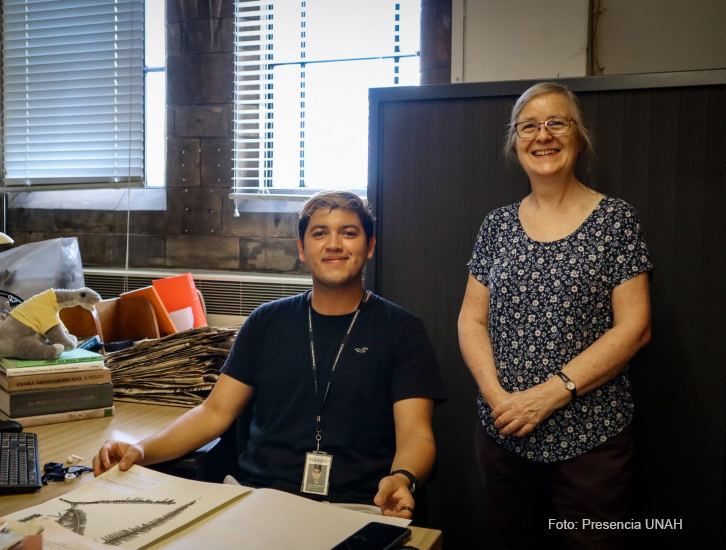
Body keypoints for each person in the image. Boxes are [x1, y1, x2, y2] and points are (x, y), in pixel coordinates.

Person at [94, 190, 445, 518]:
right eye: (320, 233)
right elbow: (213, 413)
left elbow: (416, 434)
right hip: (256, 498)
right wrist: (140, 450)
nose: (334, 244)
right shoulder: (266, 321)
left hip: (358, 505)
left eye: (349, 233)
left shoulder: (402, 330)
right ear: (302, 248)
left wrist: (402, 478)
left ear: (369, 246)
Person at [457, 82, 652, 549]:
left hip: (593, 441)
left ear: (578, 136)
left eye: (555, 123)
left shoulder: (615, 220)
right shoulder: (497, 225)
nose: (542, 136)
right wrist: (499, 398)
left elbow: (636, 327)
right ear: (515, 142)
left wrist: (550, 394)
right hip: (504, 435)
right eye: (528, 126)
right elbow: (471, 320)